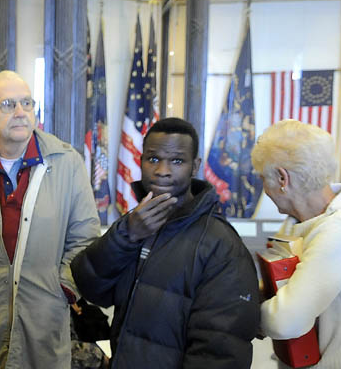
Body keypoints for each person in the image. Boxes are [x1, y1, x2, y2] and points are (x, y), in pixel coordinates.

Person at [72, 117, 260, 368]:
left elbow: (219, 352)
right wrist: (126, 235)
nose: (162, 170)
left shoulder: (220, 244)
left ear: (195, 167)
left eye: (177, 161)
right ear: (140, 161)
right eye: (153, 159)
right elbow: (92, 288)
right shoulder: (136, 223)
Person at [0, 70, 100, 369]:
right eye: (7, 105)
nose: (20, 112)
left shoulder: (67, 164)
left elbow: (85, 236)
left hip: (44, 319)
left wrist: (63, 288)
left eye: (26, 103)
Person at [251, 119, 341, 368]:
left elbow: (286, 320)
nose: (264, 189)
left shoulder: (337, 230)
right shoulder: (298, 222)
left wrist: (239, 313)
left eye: (262, 178)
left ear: (282, 178)